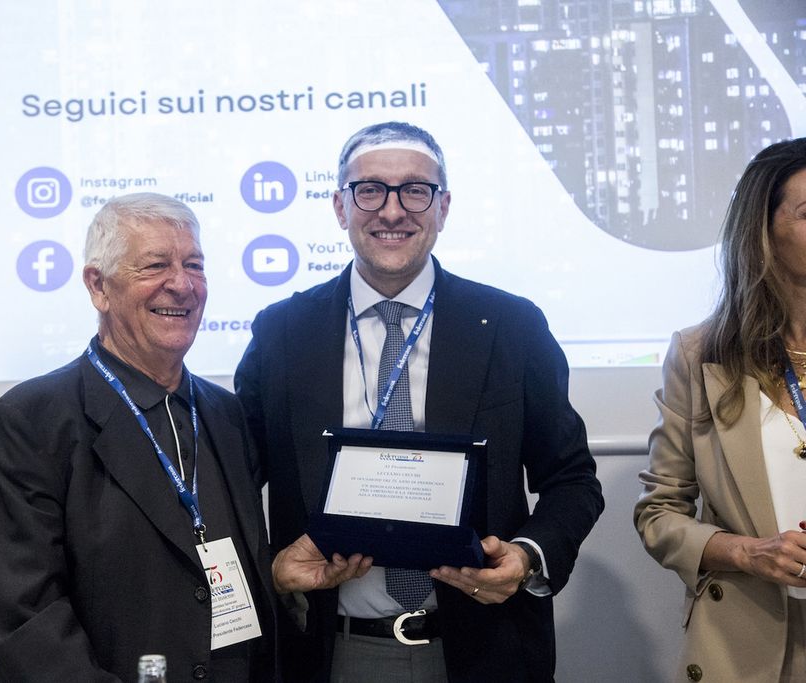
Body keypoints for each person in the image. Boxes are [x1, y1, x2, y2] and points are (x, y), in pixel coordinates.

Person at [235, 121, 604, 682]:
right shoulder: (282, 332)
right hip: (331, 653)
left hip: (483, 651)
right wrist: (269, 567)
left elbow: (572, 478)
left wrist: (528, 554)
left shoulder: (512, 326)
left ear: (443, 207)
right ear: (339, 206)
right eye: (370, 190)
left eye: (415, 190)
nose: (392, 211)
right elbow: (232, 485)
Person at [0, 193, 278, 682]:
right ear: (98, 286)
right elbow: (23, 614)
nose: (182, 285)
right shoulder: (30, 422)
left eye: (194, 265)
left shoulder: (228, 417)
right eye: (155, 265)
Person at [634, 138, 806, 682]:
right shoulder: (700, 354)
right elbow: (659, 513)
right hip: (748, 644)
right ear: (763, 232)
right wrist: (750, 553)